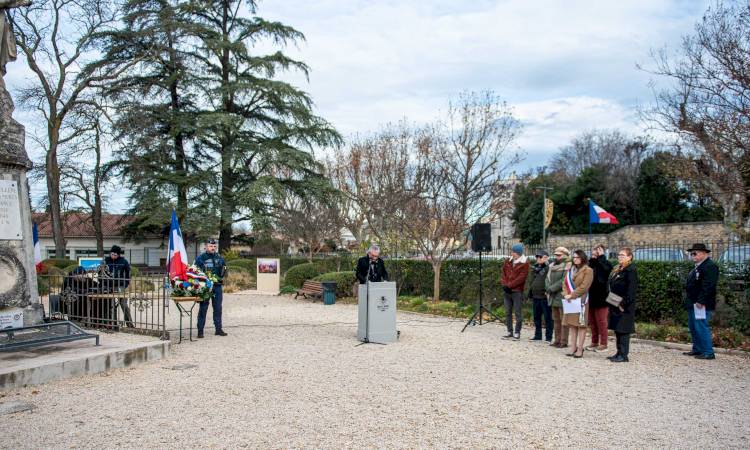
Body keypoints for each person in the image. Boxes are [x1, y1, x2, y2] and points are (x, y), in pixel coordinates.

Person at [683, 243, 718, 360]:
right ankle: (697, 349)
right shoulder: (698, 266)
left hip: (701, 303)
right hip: (693, 302)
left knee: (701, 326)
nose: (692, 255)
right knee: (693, 326)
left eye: (695, 253)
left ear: (704, 253)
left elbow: (709, 285)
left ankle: (708, 352)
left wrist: (701, 301)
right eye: (691, 253)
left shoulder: (710, 266)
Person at [607, 247, 639, 362]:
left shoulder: (631, 270)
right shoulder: (618, 269)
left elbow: (631, 291)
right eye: (619, 255)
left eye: (623, 255)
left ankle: (624, 355)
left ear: (629, 257)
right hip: (615, 303)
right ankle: (618, 352)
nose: (620, 257)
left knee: (623, 330)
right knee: (617, 329)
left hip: (624, 306)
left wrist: (622, 304)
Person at [562, 249, 593, 358]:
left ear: (582, 258)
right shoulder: (571, 269)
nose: (575, 259)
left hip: (581, 301)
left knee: (581, 325)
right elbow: (564, 283)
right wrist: (566, 294)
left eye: (577, 257)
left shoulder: (588, 270)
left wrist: (572, 295)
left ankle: (580, 349)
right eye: (574, 257)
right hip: (570, 300)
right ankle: (573, 347)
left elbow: (584, 286)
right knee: (572, 325)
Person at [195, 238, 228, 338]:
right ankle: (200, 331)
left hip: (217, 287)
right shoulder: (200, 258)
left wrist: (223, 274)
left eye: (214, 246)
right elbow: (195, 272)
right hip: (206, 287)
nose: (213, 248)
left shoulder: (219, 257)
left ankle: (218, 329)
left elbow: (224, 269)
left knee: (218, 308)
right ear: (206, 246)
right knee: (203, 308)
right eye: (210, 246)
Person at [501, 243, 530, 340]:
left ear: (517, 253)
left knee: (518, 312)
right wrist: (505, 285)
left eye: (513, 251)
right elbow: (503, 274)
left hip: (517, 291)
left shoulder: (524, 263)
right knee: (507, 312)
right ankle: (509, 331)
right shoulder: (508, 261)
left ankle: (517, 332)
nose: (511, 253)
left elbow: (521, 278)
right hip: (507, 291)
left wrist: (510, 286)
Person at [586, 244, 612, 351]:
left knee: (601, 321)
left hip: (602, 297)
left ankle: (604, 343)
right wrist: (592, 260)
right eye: (592, 254)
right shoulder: (591, 264)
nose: (593, 256)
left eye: (596, 254)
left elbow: (606, 271)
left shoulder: (606, 263)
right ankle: (594, 341)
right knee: (592, 321)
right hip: (591, 296)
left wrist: (602, 258)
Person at [546, 247, 570, 348]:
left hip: (561, 295)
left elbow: (564, 280)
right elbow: (547, 278)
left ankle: (563, 341)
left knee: (563, 319)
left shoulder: (568, 265)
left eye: (559, 255)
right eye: (556, 255)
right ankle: (557, 340)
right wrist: (547, 287)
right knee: (555, 319)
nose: (557, 257)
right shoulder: (552, 265)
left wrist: (551, 288)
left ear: (565, 255)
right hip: (552, 295)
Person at [104, 245, 133, 327]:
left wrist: (125, 284)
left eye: (115, 255)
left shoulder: (123, 261)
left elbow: (128, 273)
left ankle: (129, 323)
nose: (113, 256)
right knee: (111, 304)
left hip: (121, 285)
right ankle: (113, 323)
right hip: (108, 286)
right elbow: (100, 272)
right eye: (112, 254)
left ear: (118, 255)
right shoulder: (105, 261)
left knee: (123, 304)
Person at [527, 250, 552, 342]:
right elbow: (531, 281)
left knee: (548, 317)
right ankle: (538, 335)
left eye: (540, 257)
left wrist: (546, 263)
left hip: (545, 296)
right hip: (536, 296)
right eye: (537, 257)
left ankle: (549, 337)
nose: (538, 259)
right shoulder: (535, 268)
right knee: (536, 317)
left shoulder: (549, 267)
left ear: (546, 258)